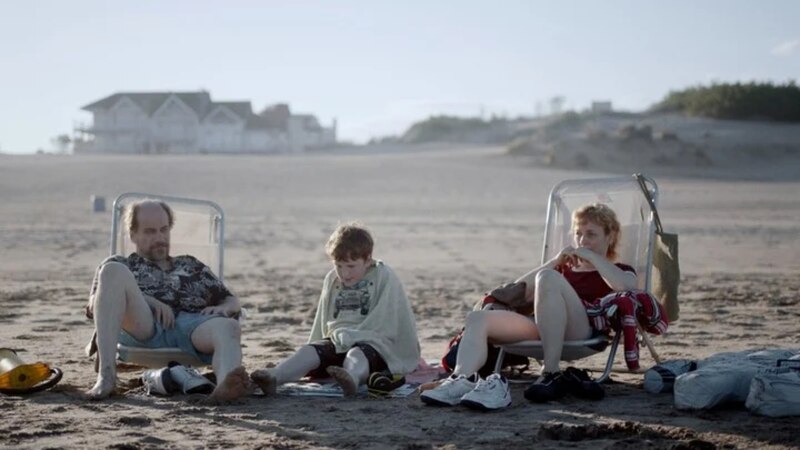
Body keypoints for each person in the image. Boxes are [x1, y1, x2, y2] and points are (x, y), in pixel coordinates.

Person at [421, 203, 639, 410]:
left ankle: (551, 372)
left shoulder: (618, 269)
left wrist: (592, 257)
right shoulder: (561, 270)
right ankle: (461, 380)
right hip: (543, 328)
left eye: (591, 234)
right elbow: (518, 289)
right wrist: (553, 261)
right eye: (578, 234)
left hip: (581, 330)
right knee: (477, 319)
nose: (582, 240)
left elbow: (627, 286)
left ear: (610, 237)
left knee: (548, 278)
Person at [84, 200, 249, 403]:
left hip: (193, 325)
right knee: (112, 271)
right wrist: (150, 301)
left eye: (164, 230)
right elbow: (94, 305)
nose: (160, 238)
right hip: (142, 323)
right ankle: (106, 377)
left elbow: (231, 299)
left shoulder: (191, 265)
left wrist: (224, 308)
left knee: (229, 327)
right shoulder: (121, 265)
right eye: (150, 232)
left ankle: (225, 388)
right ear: (133, 234)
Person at [251, 223, 420, 397]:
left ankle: (352, 378)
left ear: (368, 259)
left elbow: (389, 318)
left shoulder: (384, 276)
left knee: (357, 354)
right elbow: (323, 319)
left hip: (373, 342)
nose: (344, 274)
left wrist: (357, 335)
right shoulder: (332, 279)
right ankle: (275, 377)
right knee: (309, 351)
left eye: (351, 266)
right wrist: (328, 341)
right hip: (338, 339)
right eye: (339, 266)